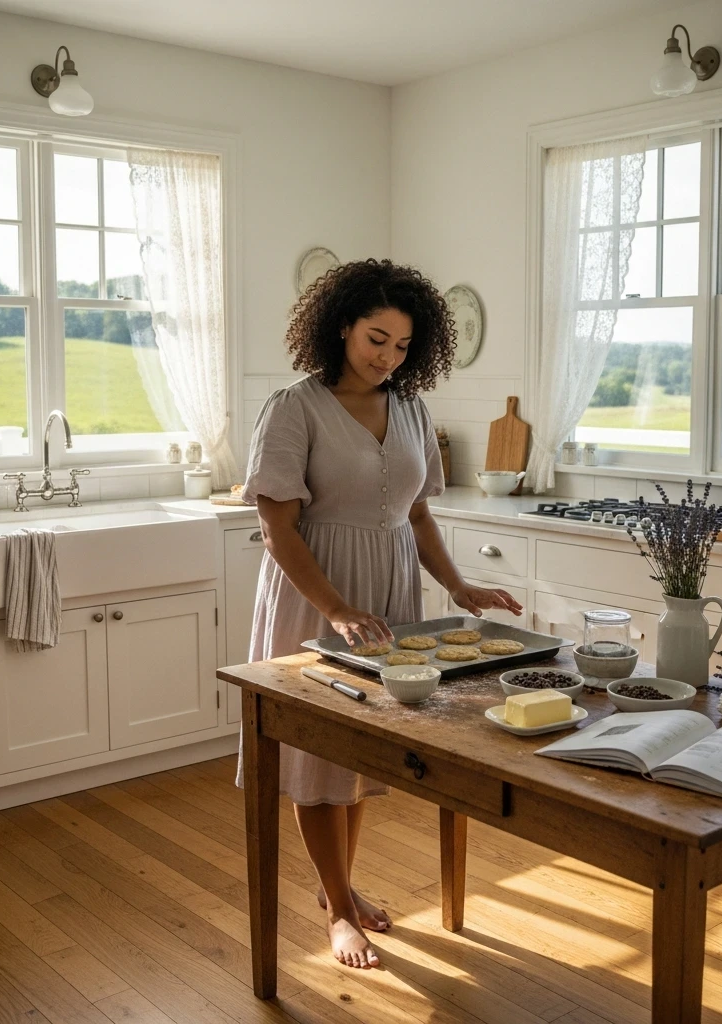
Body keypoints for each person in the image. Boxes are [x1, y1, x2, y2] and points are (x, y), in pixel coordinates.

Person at [237, 258, 522, 970]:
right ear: (341, 327)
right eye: (375, 339)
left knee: (358, 758)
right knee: (316, 756)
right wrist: (333, 607)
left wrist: (459, 589)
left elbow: (417, 512)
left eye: (400, 346)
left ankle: (340, 889)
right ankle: (338, 910)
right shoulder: (293, 408)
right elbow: (278, 529)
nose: (387, 357)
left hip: (392, 598)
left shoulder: (411, 408)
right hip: (318, 596)